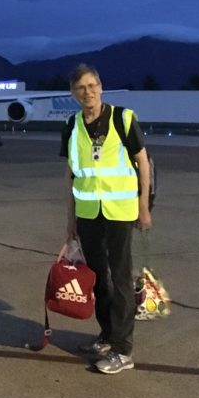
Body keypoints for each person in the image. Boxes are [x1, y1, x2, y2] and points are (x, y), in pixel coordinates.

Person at [60, 63, 152, 375]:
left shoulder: (123, 119)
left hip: (120, 211)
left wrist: (144, 206)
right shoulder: (71, 126)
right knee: (97, 278)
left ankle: (123, 350)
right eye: (80, 88)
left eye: (92, 85)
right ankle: (107, 335)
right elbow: (72, 175)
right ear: (73, 94)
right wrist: (70, 220)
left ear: (101, 86)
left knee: (121, 276)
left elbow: (143, 162)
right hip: (88, 212)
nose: (87, 92)